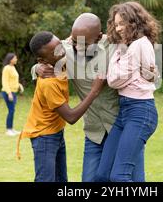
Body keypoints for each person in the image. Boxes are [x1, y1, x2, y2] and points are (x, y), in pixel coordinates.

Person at [33, 13, 157, 181]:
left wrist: (152, 73)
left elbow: (148, 68)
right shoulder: (64, 50)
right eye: (75, 41)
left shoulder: (116, 46)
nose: (77, 47)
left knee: (131, 179)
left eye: (84, 43)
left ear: (99, 37)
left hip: (121, 126)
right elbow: (43, 57)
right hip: (94, 132)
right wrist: (36, 68)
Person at [16, 31, 105, 182]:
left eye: (61, 46)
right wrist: (94, 91)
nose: (62, 50)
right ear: (42, 60)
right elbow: (71, 117)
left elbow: (71, 41)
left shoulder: (59, 59)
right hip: (43, 136)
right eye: (56, 50)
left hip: (56, 132)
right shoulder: (48, 82)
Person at [96, 1, 160, 182]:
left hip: (141, 111)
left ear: (134, 22)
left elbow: (114, 80)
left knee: (119, 176)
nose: (118, 29)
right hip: (124, 112)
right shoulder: (126, 47)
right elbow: (119, 77)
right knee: (102, 175)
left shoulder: (140, 44)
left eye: (122, 24)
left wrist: (115, 68)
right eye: (116, 24)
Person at [1, 53, 24, 136]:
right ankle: (8, 130)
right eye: (15, 58)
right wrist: (9, 93)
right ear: (10, 59)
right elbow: (5, 82)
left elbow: (14, 80)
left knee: (12, 110)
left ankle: (11, 129)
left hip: (13, 92)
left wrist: (19, 86)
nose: (16, 59)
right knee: (11, 110)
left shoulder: (13, 67)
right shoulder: (6, 68)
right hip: (8, 92)